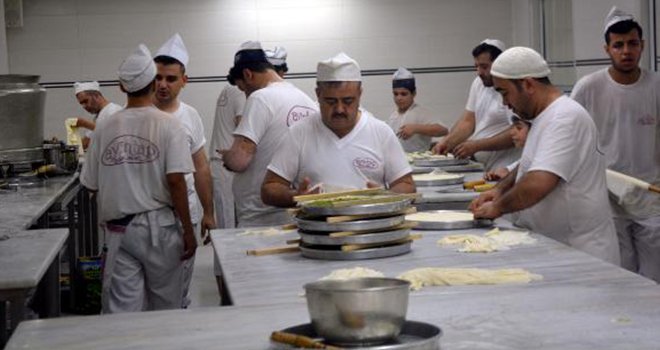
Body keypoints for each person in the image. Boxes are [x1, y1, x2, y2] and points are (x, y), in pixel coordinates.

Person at [469, 46, 620, 265]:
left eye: (504, 92)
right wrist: (499, 190)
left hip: (581, 254)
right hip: (557, 248)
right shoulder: (543, 117)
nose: (504, 103)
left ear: (528, 84)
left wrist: (498, 207)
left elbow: (537, 182)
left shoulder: (565, 118)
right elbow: (529, 165)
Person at [80, 44, 196, 313]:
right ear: (153, 83)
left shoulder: (104, 127)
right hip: (161, 229)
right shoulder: (170, 125)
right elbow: (176, 181)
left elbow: (91, 185)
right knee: (166, 305)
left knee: (123, 311)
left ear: (122, 87)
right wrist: (188, 229)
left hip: (120, 230)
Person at [570, 7, 660, 281]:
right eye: (618, 45)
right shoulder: (589, 87)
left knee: (654, 277)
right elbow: (566, 134)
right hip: (606, 198)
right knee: (621, 275)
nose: (626, 51)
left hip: (651, 197)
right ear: (607, 49)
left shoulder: (656, 85)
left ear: (642, 46)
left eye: (632, 44)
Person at [262, 52, 415, 207]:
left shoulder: (381, 132)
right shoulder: (299, 133)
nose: (340, 109)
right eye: (330, 101)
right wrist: (296, 196)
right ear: (318, 94)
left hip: (372, 227)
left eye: (348, 101)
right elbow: (269, 188)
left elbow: (407, 186)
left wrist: (385, 196)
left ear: (359, 94)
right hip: (316, 228)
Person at [220, 41, 317, 227]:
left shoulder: (260, 98)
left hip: (259, 214)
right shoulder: (305, 100)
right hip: (295, 210)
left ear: (248, 74)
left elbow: (240, 160)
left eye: (243, 88)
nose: (245, 95)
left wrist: (227, 157)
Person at [153, 33, 216, 308]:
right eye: (158, 77)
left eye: (170, 78)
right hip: (146, 214)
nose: (162, 85)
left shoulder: (189, 116)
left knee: (178, 292)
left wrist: (209, 212)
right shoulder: (136, 113)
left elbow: (201, 167)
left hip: (183, 215)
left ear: (184, 81)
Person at [432, 39, 520, 171]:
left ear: (499, 64)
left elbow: (518, 131)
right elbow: (468, 121)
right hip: (484, 165)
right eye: (476, 66)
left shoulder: (511, 90)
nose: (479, 72)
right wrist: (447, 142)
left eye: (484, 67)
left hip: (505, 166)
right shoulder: (479, 83)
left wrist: (478, 145)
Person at [387, 67, 447, 152]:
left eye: (403, 94)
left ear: (414, 94)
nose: (399, 98)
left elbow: (443, 130)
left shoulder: (421, 113)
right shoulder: (393, 116)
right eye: (396, 94)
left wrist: (416, 128)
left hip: (418, 162)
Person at [70, 81, 122, 149]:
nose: (84, 106)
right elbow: (86, 143)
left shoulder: (113, 111)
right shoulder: (98, 117)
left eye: (85, 101)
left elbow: (111, 135)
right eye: (81, 104)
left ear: (96, 96)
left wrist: (85, 124)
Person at [483, 115, 530, 181]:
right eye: (512, 128)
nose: (512, 133)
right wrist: (505, 170)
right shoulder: (529, 153)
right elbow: (521, 162)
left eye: (519, 128)